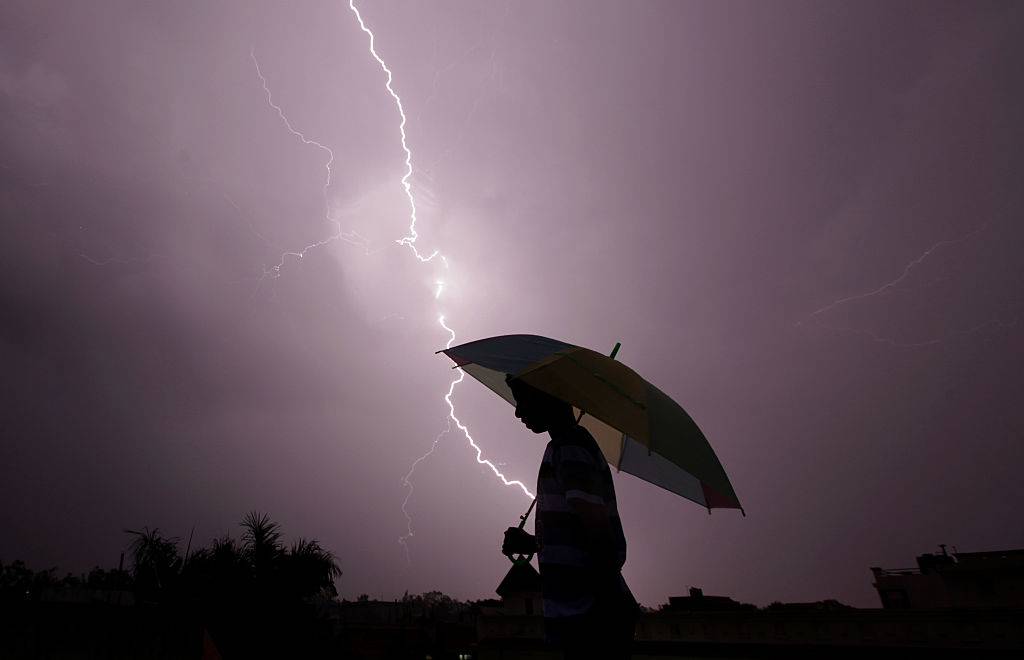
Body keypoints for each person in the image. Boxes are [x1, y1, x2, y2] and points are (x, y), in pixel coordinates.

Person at [502, 376, 638, 659]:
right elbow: (575, 532)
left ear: (549, 396)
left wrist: (604, 605)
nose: (517, 412)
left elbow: (597, 531)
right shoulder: (562, 447)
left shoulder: (570, 448)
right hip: (582, 615)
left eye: (523, 400)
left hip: (591, 617)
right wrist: (533, 542)